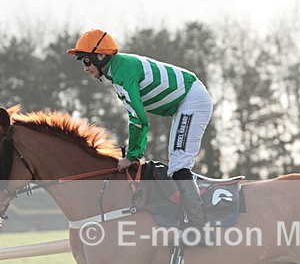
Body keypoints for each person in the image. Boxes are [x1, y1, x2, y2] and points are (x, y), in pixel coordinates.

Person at [67, 29, 213, 242]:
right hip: (186, 101)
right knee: (176, 165)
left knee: (180, 164)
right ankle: (186, 217)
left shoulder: (123, 72)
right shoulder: (117, 71)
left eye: (86, 61)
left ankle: (198, 228)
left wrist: (133, 155)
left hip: (192, 100)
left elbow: (138, 118)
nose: (85, 68)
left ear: (101, 56)